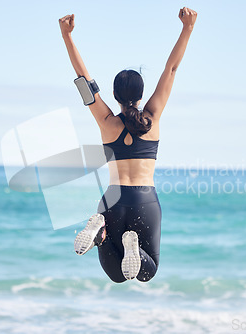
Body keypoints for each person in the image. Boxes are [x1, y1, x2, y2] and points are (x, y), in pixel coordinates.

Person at [59, 7, 197, 283]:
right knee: (147, 271)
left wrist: (67, 36)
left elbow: (84, 82)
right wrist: (187, 28)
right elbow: (171, 69)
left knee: (116, 275)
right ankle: (125, 243)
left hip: (111, 202)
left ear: (113, 94)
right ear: (142, 93)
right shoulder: (152, 118)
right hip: (144, 200)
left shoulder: (107, 122)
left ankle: (101, 233)